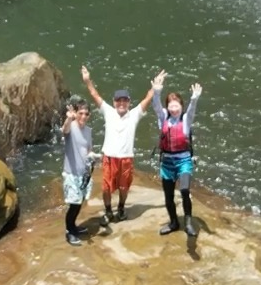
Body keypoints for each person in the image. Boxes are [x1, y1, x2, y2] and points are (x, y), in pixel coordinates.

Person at [80, 66, 157, 225]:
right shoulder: (108, 111)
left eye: (125, 100)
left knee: (124, 187)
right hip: (109, 157)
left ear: (129, 102)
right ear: (114, 102)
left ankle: (121, 208)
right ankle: (108, 211)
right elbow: (94, 95)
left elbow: (147, 99)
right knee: (106, 188)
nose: (121, 103)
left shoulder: (134, 114)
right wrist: (87, 80)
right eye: (118, 100)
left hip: (126, 158)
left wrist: (154, 88)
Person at [153, 74, 201, 235]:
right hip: (167, 162)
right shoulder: (163, 118)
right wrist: (156, 92)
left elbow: (192, 111)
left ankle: (188, 222)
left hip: (183, 161)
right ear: (167, 107)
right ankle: (174, 222)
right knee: (168, 196)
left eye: (177, 106)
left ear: (181, 106)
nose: (174, 109)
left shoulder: (186, 119)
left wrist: (194, 99)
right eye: (171, 106)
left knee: (185, 190)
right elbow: (156, 107)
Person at [60, 94, 94, 246]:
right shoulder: (71, 127)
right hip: (71, 174)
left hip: (83, 173)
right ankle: (69, 231)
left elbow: (89, 149)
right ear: (76, 113)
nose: (83, 116)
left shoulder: (88, 131)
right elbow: (64, 130)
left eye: (86, 114)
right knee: (73, 204)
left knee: (79, 202)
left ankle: (74, 226)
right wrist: (68, 118)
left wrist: (92, 157)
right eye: (80, 113)